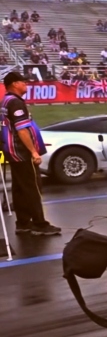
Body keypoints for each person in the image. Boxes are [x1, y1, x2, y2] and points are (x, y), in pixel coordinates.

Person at [1, 72, 61, 235]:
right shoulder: (15, 103)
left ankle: (23, 223)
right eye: (23, 82)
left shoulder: (5, 101)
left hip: (11, 151)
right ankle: (39, 224)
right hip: (21, 152)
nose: (25, 85)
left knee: (20, 188)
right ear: (14, 84)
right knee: (32, 188)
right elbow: (22, 130)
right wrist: (33, 151)